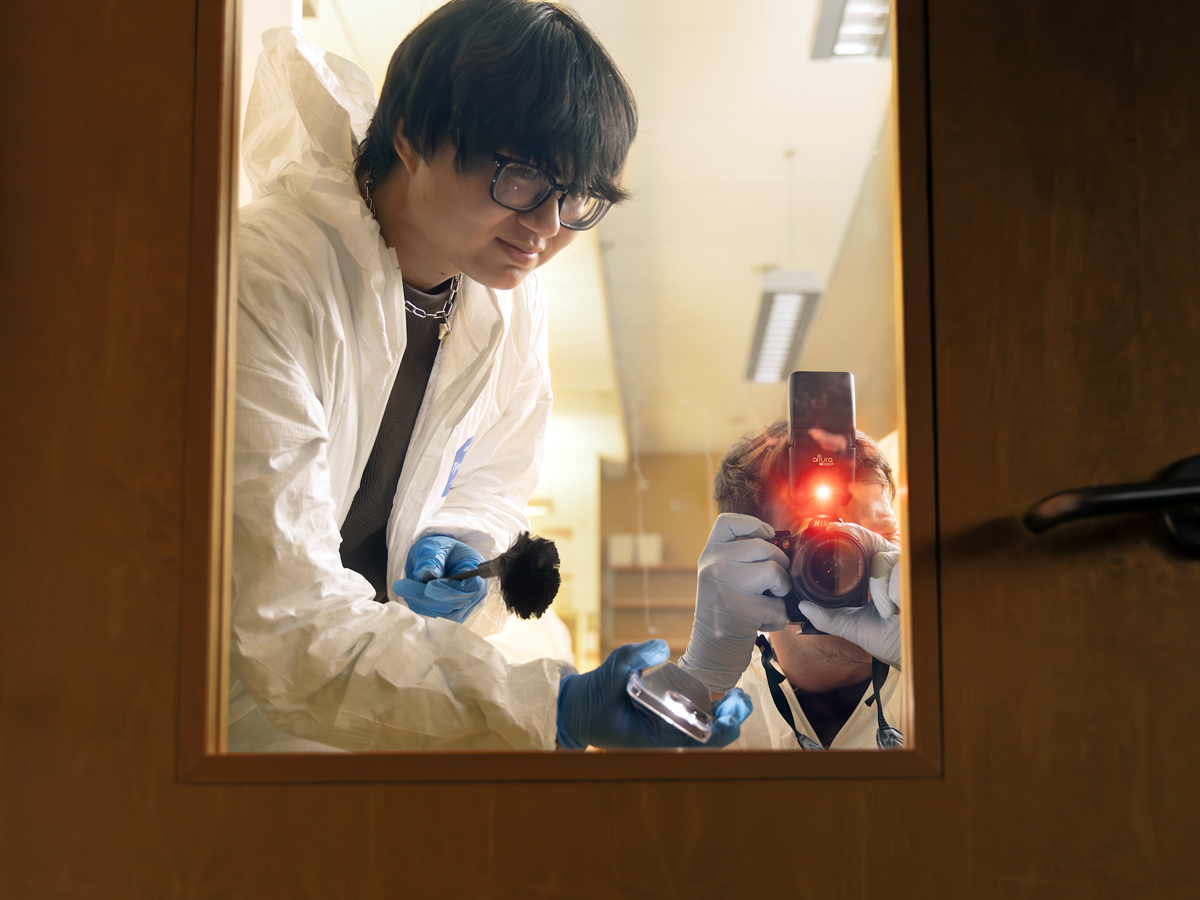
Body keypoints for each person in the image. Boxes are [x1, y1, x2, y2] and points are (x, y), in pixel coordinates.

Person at [228, 0, 751, 752]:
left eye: (575, 197)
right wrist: (553, 707)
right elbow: (285, 622)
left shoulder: (507, 302)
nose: (546, 227)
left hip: (376, 691)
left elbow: (498, 475)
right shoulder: (265, 278)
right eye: (522, 176)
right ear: (412, 137)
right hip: (232, 722)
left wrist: (460, 535)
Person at [678, 421, 903, 750]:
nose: (862, 565)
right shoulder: (720, 704)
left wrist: (939, 655)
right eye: (826, 547)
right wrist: (702, 683)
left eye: (882, 538)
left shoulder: (943, 682)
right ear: (750, 560)